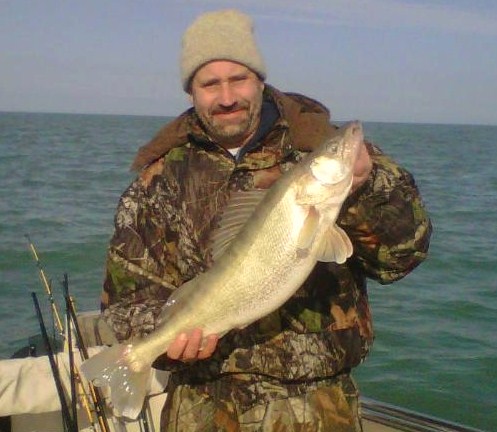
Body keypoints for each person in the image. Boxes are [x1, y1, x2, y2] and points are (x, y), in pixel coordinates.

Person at [100, 9, 432, 431]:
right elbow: (125, 306)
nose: (226, 97)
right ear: (191, 93)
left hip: (320, 406)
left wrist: (365, 189)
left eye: (238, 79)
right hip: (202, 407)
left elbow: (402, 257)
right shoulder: (157, 182)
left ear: (260, 79)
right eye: (209, 84)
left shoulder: (321, 149)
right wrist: (165, 342)